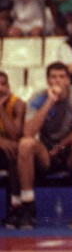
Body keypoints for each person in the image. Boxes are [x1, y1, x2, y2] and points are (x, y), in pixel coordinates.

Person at [16, 63, 72, 230]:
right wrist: (50, 101)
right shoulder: (38, 97)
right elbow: (28, 132)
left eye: (62, 77)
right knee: (25, 144)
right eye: (53, 77)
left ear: (69, 80)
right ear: (47, 80)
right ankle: (27, 205)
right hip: (45, 153)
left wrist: (61, 147)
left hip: (68, 150)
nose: (58, 81)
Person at [0, 70, 26, 228]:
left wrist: (1, 110)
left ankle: (15, 207)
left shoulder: (17, 104)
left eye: (3, 84)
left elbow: (15, 135)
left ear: (8, 86)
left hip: (7, 152)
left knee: (14, 151)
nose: (0, 88)